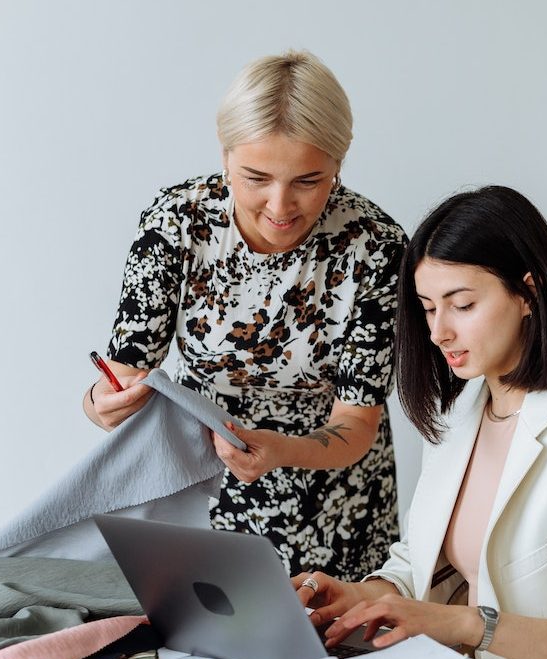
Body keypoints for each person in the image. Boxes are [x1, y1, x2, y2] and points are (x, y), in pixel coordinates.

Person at [293, 186, 547, 659]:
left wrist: (468, 624)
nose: (438, 332)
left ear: (529, 291)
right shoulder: (456, 415)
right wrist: (359, 597)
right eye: (428, 307)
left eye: (461, 305)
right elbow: (423, 564)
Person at [82, 50, 406, 581]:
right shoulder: (176, 223)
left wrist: (282, 450)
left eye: (309, 180)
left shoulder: (376, 248)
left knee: (333, 651)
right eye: (256, 176)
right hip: (198, 480)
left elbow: (356, 423)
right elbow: (122, 377)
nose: (280, 206)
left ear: (339, 166)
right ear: (225, 154)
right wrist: (101, 404)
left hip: (333, 496)